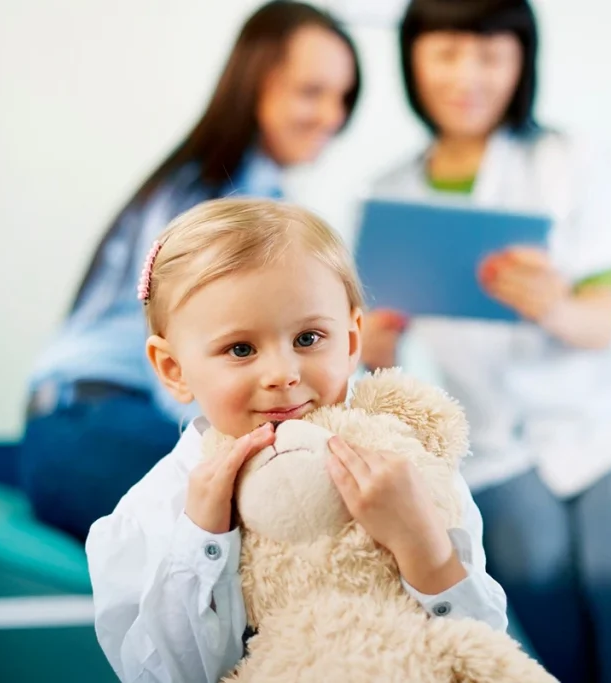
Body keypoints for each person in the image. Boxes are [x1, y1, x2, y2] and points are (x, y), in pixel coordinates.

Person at [361, 1, 611, 682]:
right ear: (413, 59)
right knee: (532, 580)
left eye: (491, 54)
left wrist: (554, 304)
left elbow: (601, 323)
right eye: (447, 52)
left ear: (522, 62)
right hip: (494, 442)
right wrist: (374, 339)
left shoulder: (567, 159)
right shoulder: (391, 193)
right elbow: (378, 363)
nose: (468, 75)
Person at [85, 198, 507, 683]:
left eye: (308, 339)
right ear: (174, 369)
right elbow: (165, 676)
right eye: (240, 349)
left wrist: (422, 546)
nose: (283, 374)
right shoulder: (154, 511)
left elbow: (485, 650)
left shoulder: (410, 469)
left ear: (351, 341)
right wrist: (202, 538)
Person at [20, 1, 362, 541]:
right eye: (311, 92)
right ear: (255, 85)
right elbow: (195, 370)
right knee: (295, 505)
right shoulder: (210, 201)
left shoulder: (256, 197)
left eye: (341, 97)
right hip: (88, 428)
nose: (332, 116)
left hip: (94, 424)